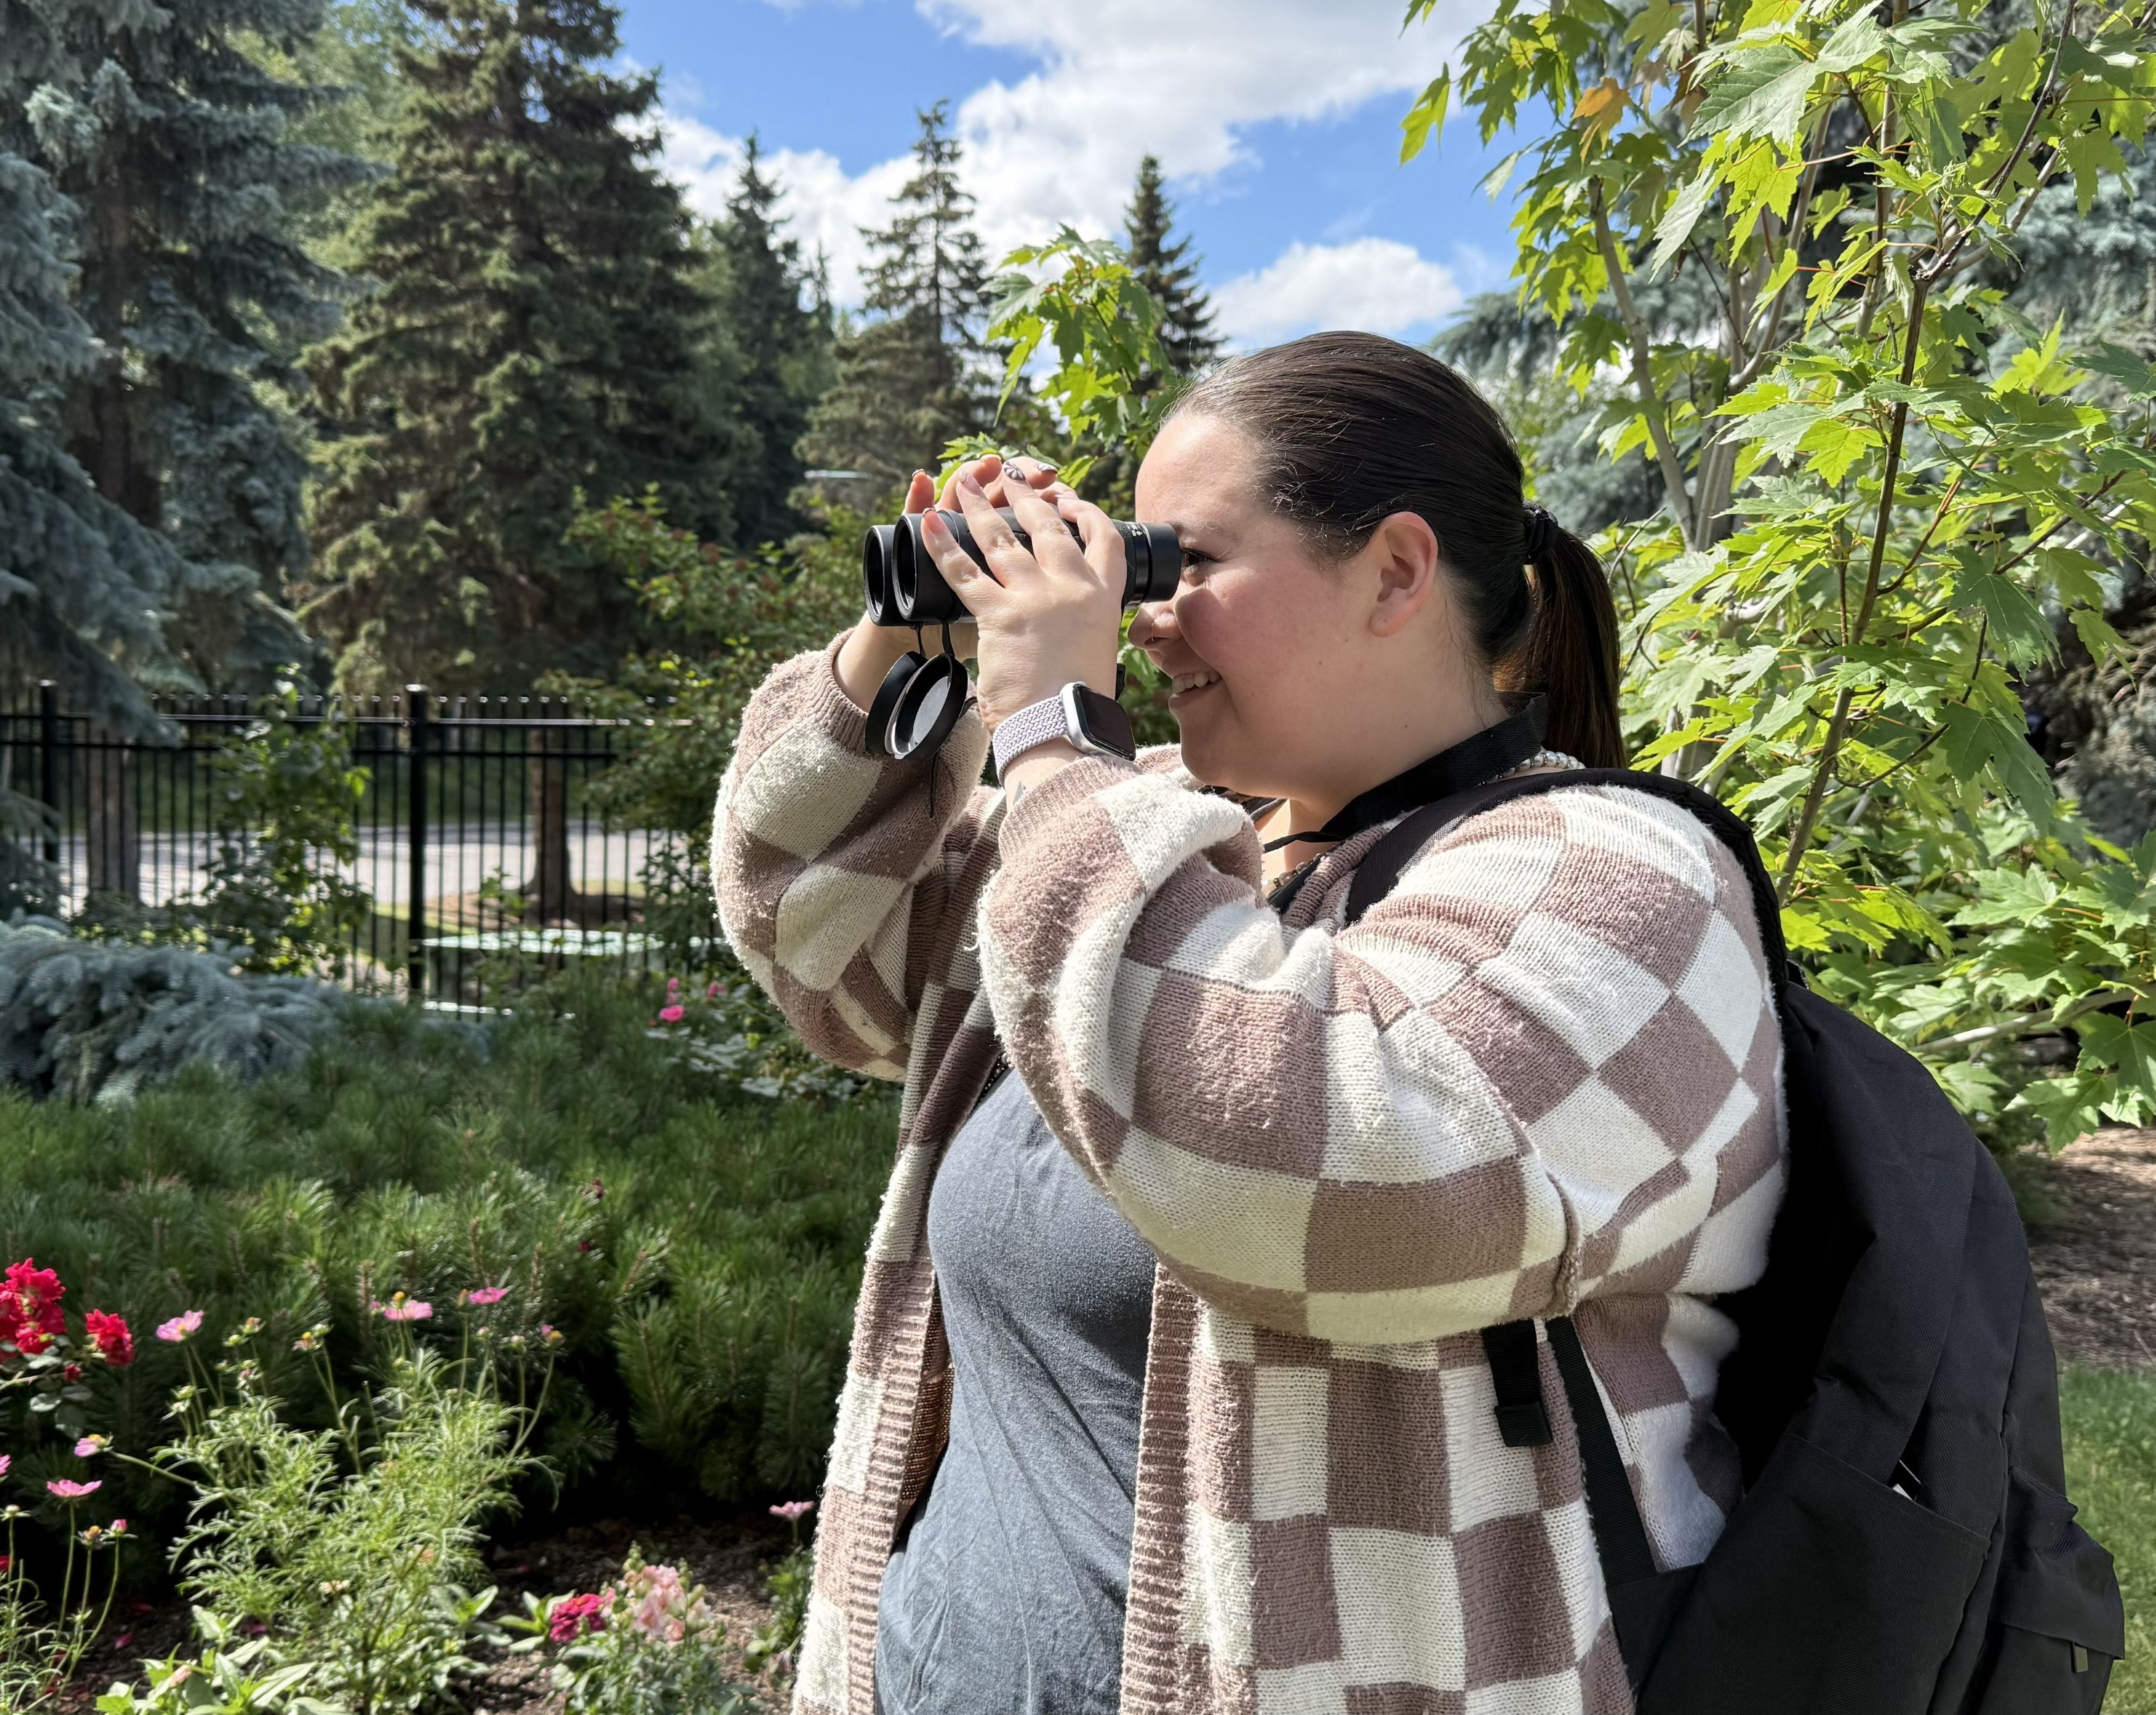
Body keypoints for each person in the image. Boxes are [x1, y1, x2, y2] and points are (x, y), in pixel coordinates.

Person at [714, 331, 1787, 1715]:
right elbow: (829, 952)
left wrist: (1052, 727)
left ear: (1395, 571)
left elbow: (1330, 1166)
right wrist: (891, 654)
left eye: (1186, 563)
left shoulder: (1621, 879)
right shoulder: (1142, 819)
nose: (1141, 613)